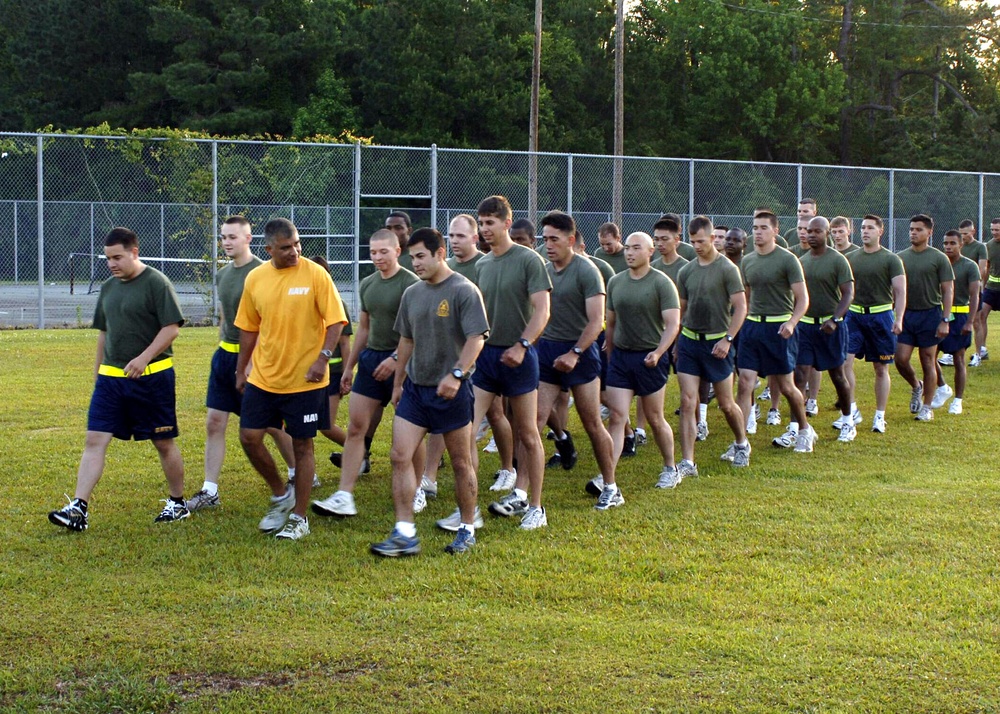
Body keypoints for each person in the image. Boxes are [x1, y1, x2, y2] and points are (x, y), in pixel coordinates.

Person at [48, 227, 188, 531]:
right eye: (108, 258)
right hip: (111, 382)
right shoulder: (109, 287)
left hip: (152, 379)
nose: (112, 263)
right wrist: (98, 371)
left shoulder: (156, 283)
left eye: (118, 257)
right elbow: (104, 332)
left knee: (163, 442)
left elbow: (171, 328)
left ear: (134, 252)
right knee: (94, 439)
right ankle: (78, 509)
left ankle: (178, 503)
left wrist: (143, 358)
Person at [370, 228, 489, 557]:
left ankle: (467, 527)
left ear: (440, 253)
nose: (416, 263)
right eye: (412, 258)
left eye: (421, 256)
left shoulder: (464, 290)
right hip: (415, 390)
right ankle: (405, 532)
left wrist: (456, 373)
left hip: (451, 392)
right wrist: (398, 382)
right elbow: (406, 339)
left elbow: (477, 338)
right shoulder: (413, 293)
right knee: (399, 456)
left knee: (461, 462)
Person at [234, 218, 347, 540]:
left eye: (297, 244)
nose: (295, 251)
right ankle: (280, 494)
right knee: (249, 437)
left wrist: (322, 358)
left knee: (303, 445)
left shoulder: (315, 274)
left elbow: (336, 322)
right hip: (265, 378)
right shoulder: (256, 279)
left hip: (306, 380)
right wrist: (241, 369)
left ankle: (300, 517)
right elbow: (248, 328)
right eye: (286, 248)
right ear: (268, 249)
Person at [187, 216, 296, 513]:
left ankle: (298, 473)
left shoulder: (263, 272)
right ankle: (210, 490)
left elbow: (269, 322)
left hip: (255, 359)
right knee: (214, 421)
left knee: (270, 426)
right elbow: (227, 316)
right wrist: (223, 349)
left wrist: (251, 362)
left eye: (233, 237)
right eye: (223, 237)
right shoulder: (223, 274)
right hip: (225, 356)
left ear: (249, 239)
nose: (226, 242)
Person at [312, 229, 419, 518]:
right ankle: (344, 495)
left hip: (404, 363)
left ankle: (419, 488)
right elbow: (365, 329)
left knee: (411, 434)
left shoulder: (412, 285)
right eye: (373, 252)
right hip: (372, 362)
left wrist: (397, 360)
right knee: (357, 428)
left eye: (384, 251)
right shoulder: (368, 284)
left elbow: (417, 334)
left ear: (398, 251)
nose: (378, 257)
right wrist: (349, 367)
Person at [470, 195, 551, 531]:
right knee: (465, 429)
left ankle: (535, 507)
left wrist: (522, 345)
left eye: (491, 222)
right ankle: (468, 509)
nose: (485, 229)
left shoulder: (529, 260)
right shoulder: (482, 265)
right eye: (481, 223)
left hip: (521, 357)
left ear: (506, 222)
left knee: (528, 433)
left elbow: (543, 311)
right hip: (487, 358)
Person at [529, 211, 617, 509]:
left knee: (592, 422)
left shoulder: (587, 271)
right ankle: (523, 493)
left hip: (581, 353)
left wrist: (575, 353)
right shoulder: (542, 270)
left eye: (554, 239)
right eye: (545, 239)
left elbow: (597, 322)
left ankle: (611, 486)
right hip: (547, 352)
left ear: (570, 240)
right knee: (534, 422)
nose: (548, 245)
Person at [604, 232, 681, 490]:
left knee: (655, 418)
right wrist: (611, 354)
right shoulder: (616, 282)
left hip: (650, 357)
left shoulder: (662, 283)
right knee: (616, 416)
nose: (629, 253)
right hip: (621, 359)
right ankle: (608, 480)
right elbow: (611, 324)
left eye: (636, 248)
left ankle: (671, 467)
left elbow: (672, 324)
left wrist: (659, 353)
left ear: (650, 252)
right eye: (627, 248)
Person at [736, 211, 816, 453]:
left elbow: (803, 299)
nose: (757, 232)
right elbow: (746, 298)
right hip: (752, 327)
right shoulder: (747, 261)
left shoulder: (788, 260)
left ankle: (804, 429)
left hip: (780, 327)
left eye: (763, 227)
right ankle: (740, 442)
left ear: (775, 231)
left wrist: (792, 322)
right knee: (744, 382)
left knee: (786, 386)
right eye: (754, 227)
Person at [674, 216, 749, 473]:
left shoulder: (727, 269)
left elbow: (740, 307)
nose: (696, 246)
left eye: (701, 241)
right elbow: (680, 311)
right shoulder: (686, 271)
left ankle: (741, 443)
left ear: (712, 239)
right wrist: (675, 341)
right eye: (692, 241)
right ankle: (687, 462)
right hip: (689, 342)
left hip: (718, 344)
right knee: (687, 402)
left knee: (726, 404)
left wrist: (728, 339)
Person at [843, 215, 906, 434]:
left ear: (880, 231)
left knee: (881, 368)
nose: (865, 231)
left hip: (881, 317)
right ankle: (850, 411)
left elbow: (900, 291)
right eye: (862, 227)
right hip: (854, 316)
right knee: (844, 363)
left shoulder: (891, 259)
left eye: (870, 228)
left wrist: (898, 318)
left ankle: (880, 416)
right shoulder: (851, 258)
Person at [795, 217, 856, 442]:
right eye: (808, 231)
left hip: (830, 328)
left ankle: (848, 421)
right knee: (799, 376)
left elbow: (848, 293)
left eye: (817, 231)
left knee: (837, 375)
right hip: (805, 327)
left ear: (827, 233)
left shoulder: (838, 260)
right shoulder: (800, 261)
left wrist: (835, 319)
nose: (811, 235)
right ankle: (798, 428)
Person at [894, 214, 954, 422]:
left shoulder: (938, 258)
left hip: (930, 314)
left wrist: (945, 320)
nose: (913, 232)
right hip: (907, 314)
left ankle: (927, 407)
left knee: (928, 360)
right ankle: (916, 385)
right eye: (911, 229)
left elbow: (948, 290)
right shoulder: (900, 257)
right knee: (900, 359)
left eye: (918, 229)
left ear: (929, 232)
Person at [310, 256, 354, 468]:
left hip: (333, 372)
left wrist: (347, 373)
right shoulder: (305, 300)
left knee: (324, 424)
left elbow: (345, 344)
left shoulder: (337, 302)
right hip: (309, 373)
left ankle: (358, 451)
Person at [931, 230, 979, 414]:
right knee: (929, 356)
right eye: (945, 243)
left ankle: (958, 400)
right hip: (938, 316)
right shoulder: (939, 264)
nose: (948, 247)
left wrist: (969, 321)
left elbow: (975, 295)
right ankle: (942, 387)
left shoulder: (969, 266)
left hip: (959, 317)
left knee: (959, 358)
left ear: (961, 245)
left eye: (952, 243)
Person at [958, 219, 989, 366]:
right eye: (961, 233)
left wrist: (975, 285)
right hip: (958, 291)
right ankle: (952, 352)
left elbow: (982, 269)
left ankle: (978, 354)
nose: (963, 236)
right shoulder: (958, 246)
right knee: (954, 320)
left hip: (973, 289)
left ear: (973, 232)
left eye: (966, 233)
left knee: (976, 321)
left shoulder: (980, 247)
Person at [974, 218, 1000, 366]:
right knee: (982, 315)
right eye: (992, 229)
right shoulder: (989, 246)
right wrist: (982, 286)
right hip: (991, 288)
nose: (994, 232)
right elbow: (987, 267)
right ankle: (982, 349)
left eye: (997, 230)